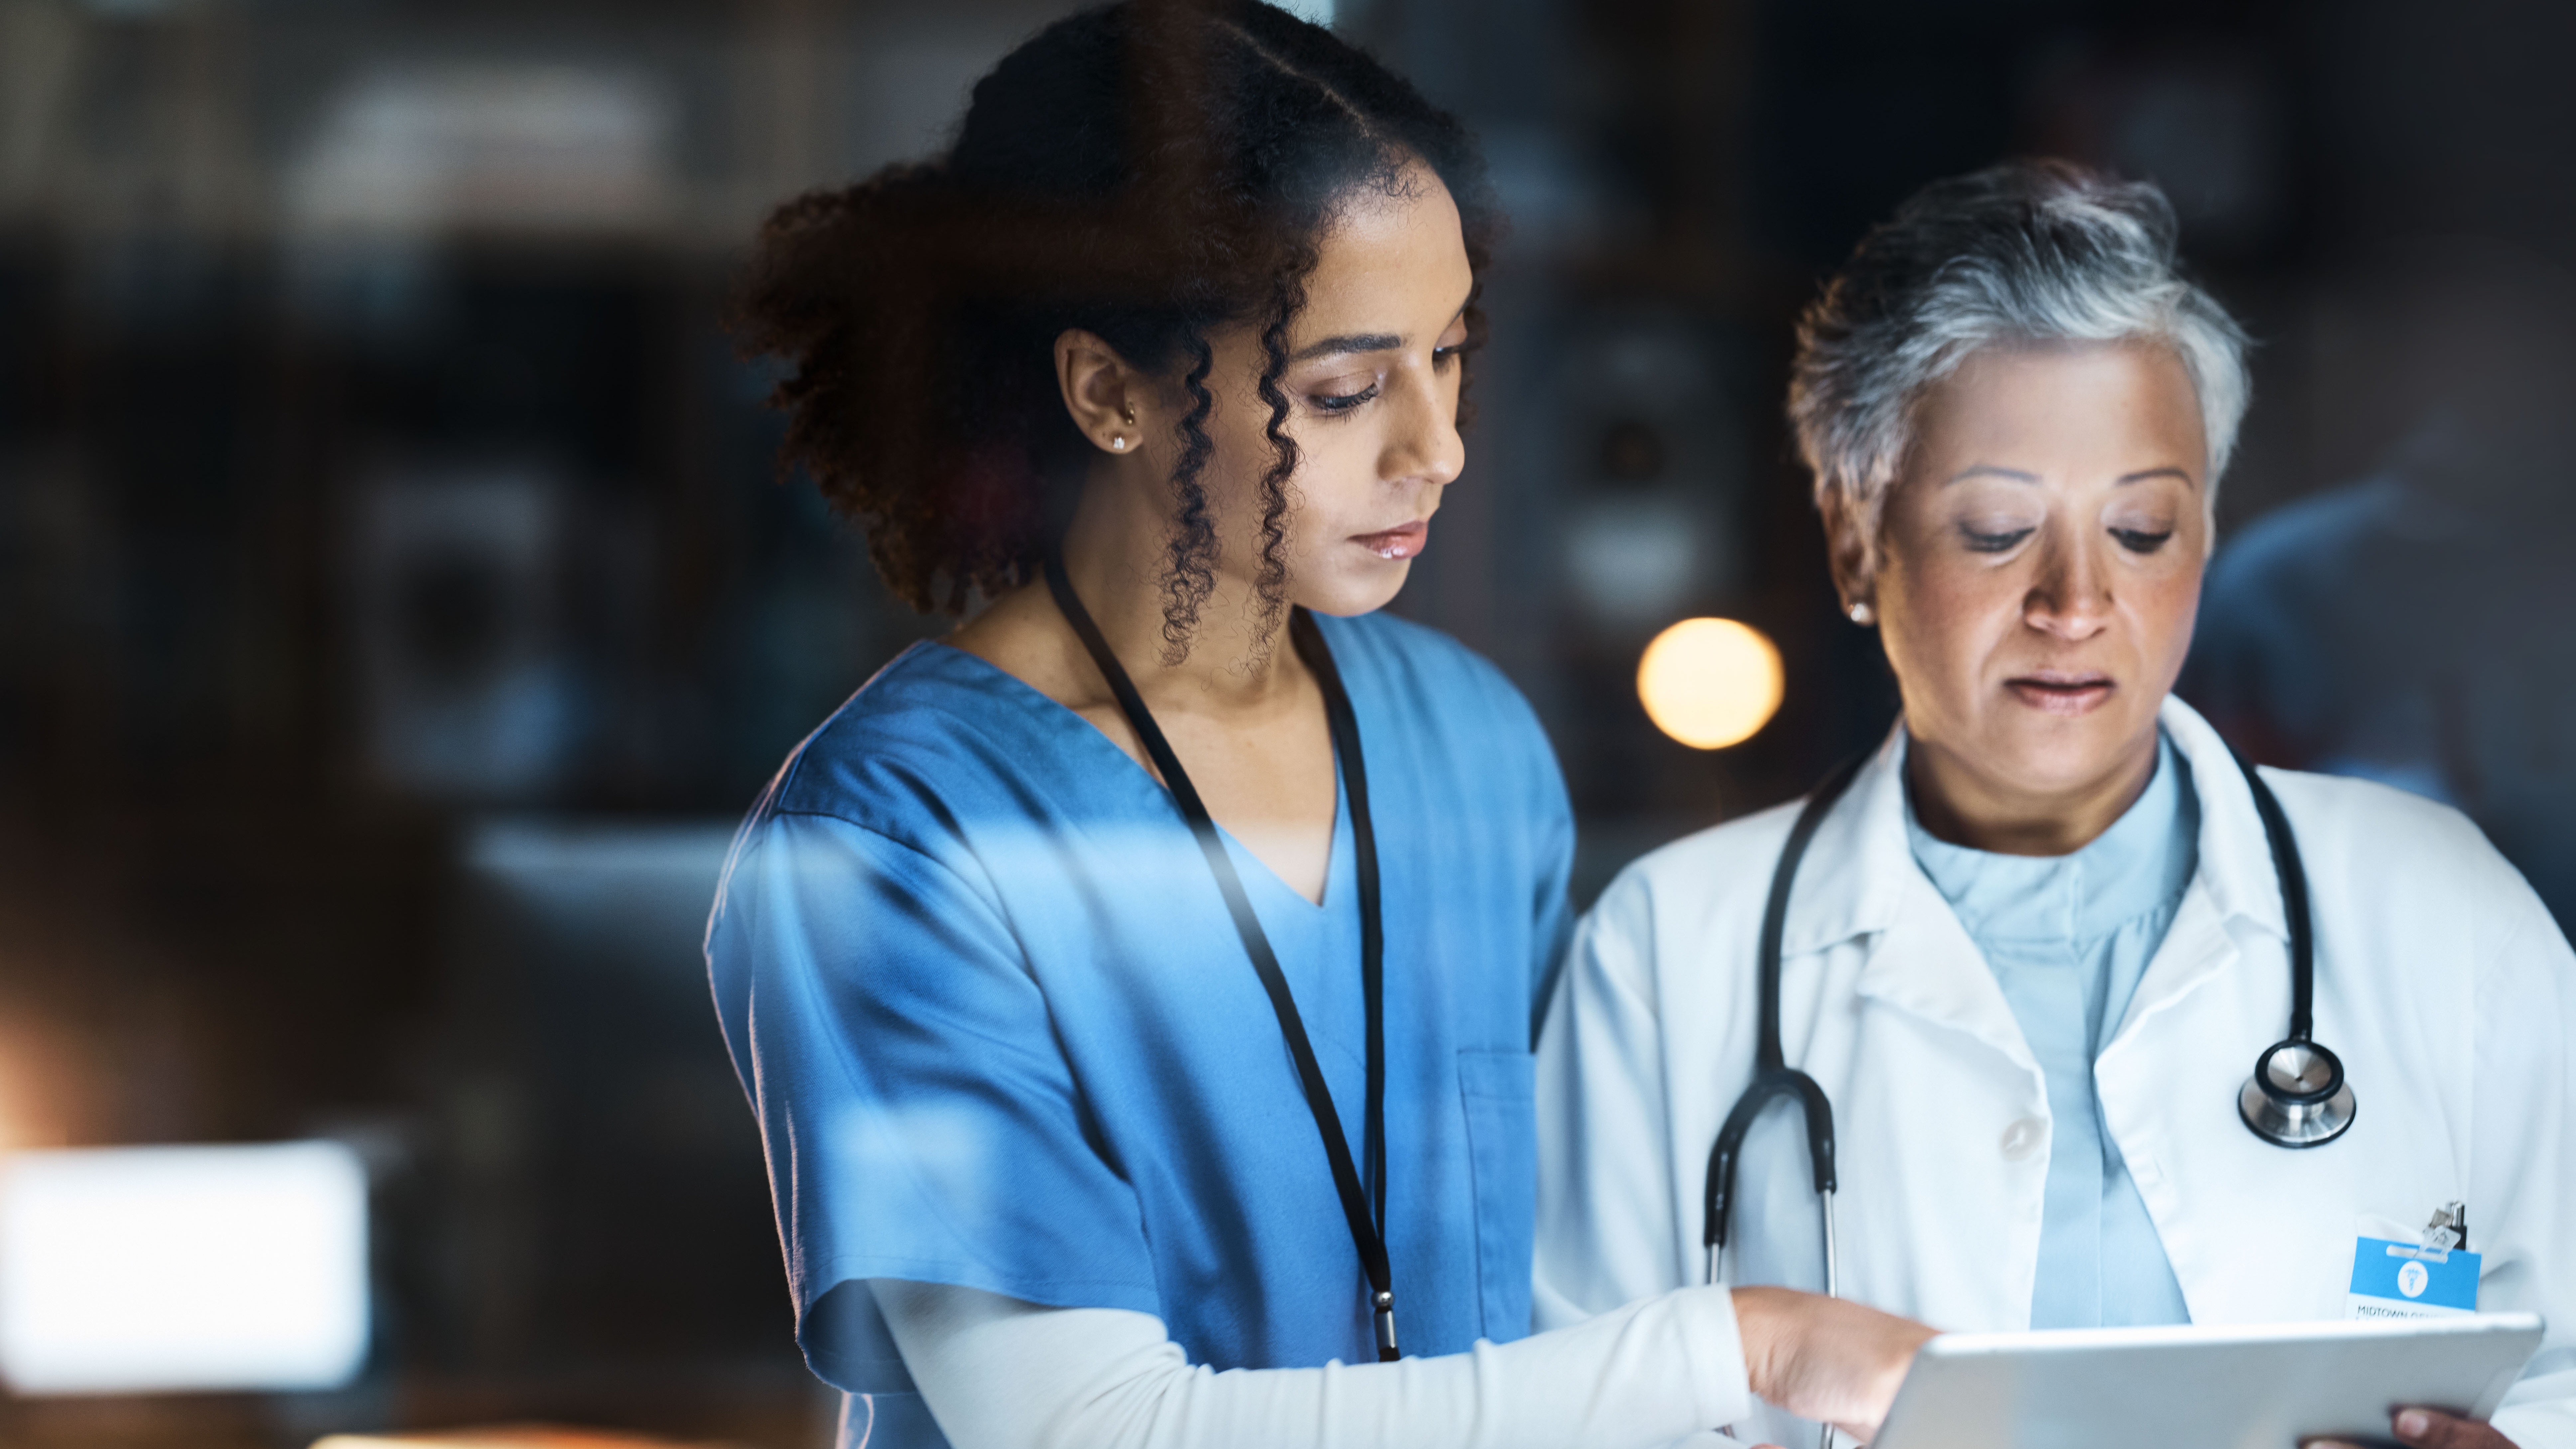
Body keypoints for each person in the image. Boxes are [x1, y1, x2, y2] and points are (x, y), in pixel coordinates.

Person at [706, 5, 1928, 1447]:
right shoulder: (899, 836)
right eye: (1342, 390)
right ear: (1110, 392)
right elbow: (1084, 1430)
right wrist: (1732, 1347)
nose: (1438, 447)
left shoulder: (1470, 748)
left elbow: (1550, 1297)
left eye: (1450, 357)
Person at [1534, 160, 2576, 1449]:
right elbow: (1567, 1408)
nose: (2074, 603)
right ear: (1855, 539)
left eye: (2139, 530)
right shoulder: (1666, 956)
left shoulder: (2441, 912)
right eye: (1993, 531)